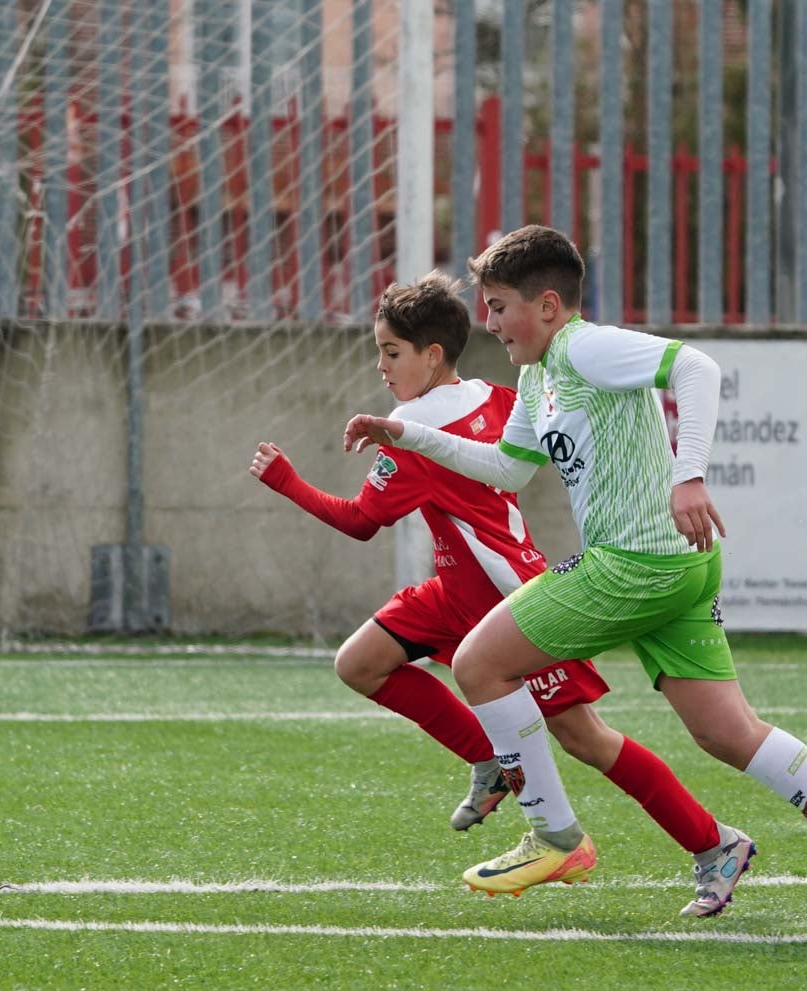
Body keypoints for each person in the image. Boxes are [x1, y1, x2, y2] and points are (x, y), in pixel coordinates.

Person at [343, 228, 807, 935]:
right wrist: (406, 435)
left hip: (635, 564)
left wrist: (689, 474)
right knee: (727, 732)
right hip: (675, 566)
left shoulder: (584, 347)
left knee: (477, 662)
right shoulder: (539, 376)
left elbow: (698, 369)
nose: (491, 324)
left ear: (551, 305)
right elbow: (508, 468)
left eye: (500, 307)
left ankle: (556, 837)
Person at [251, 271, 757, 918]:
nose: (380, 366)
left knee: (587, 738)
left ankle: (712, 841)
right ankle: (491, 754)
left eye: (392, 352)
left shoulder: (410, 428)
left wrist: (287, 480)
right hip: (450, 592)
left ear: (433, 355)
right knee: (360, 662)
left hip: (500, 593)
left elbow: (360, 521)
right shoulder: (494, 394)